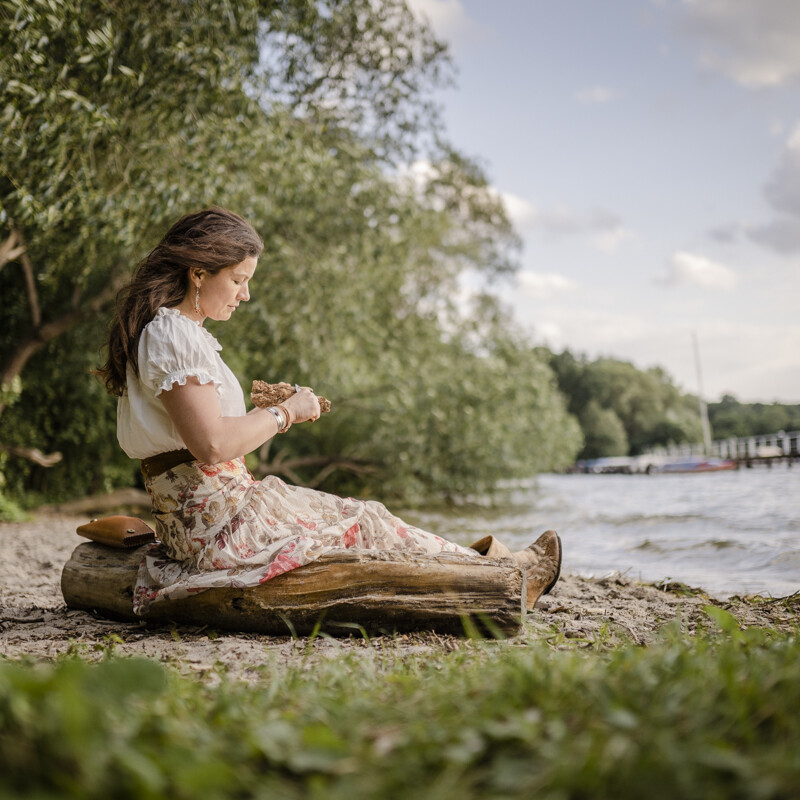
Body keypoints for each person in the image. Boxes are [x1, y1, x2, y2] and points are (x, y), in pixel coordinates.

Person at [98, 207, 562, 616]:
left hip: (216, 518)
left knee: (365, 517)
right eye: (238, 280)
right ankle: (504, 574)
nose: (245, 295)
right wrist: (287, 414)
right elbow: (212, 445)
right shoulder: (173, 334)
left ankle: (495, 566)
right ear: (198, 273)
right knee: (364, 522)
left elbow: (202, 432)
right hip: (220, 530)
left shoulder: (178, 334)